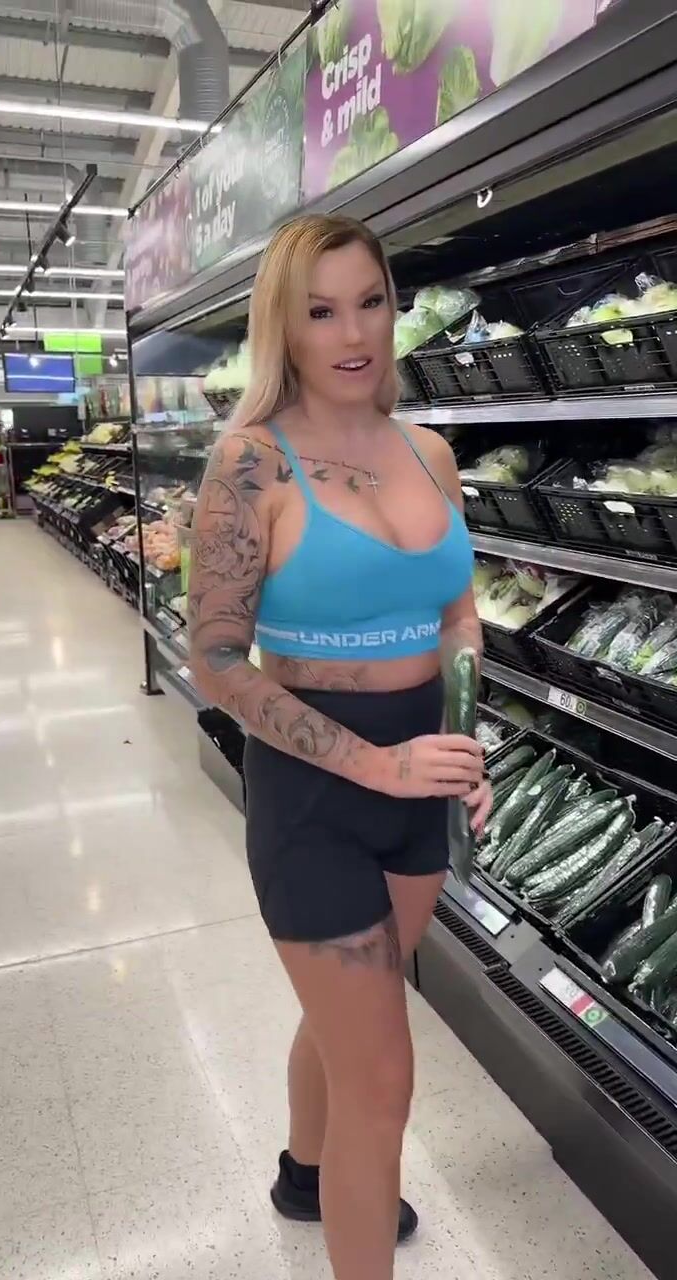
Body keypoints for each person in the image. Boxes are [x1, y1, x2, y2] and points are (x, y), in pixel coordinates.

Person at [187, 213, 491, 1280]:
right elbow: (215, 659)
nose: (353, 333)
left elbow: (458, 613)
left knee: (356, 1009)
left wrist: (463, 738)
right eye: (321, 310)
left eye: (371, 302)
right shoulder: (251, 464)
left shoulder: (430, 453)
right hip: (315, 792)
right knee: (384, 1083)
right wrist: (374, 764)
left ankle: (305, 1173)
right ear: (284, 324)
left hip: (421, 782)